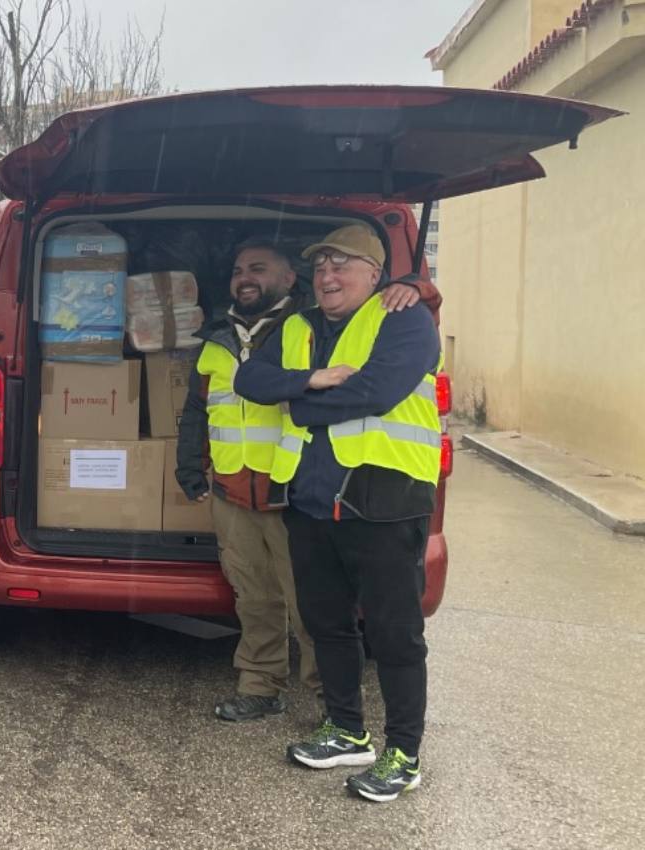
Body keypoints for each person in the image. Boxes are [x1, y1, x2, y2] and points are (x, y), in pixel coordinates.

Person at [235, 224, 444, 803]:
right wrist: (309, 378)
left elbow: (376, 392)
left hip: (385, 502)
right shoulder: (297, 326)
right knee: (325, 625)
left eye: (344, 264)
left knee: (394, 632)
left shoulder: (403, 320)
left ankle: (404, 753)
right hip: (310, 502)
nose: (329, 275)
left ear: (375, 275)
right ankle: (348, 731)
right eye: (321, 265)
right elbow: (250, 378)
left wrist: (296, 403)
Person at [179, 241, 429, 722]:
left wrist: (416, 285)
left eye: (258, 268)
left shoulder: (312, 322)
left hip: (290, 486)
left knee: (313, 607)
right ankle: (260, 686)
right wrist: (190, 467)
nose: (244, 277)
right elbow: (200, 409)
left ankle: (330, 703)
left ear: (290, 279)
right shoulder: (217, 337)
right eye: (237, 270)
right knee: (253, 597)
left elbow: (375, 377)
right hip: (233, 487)